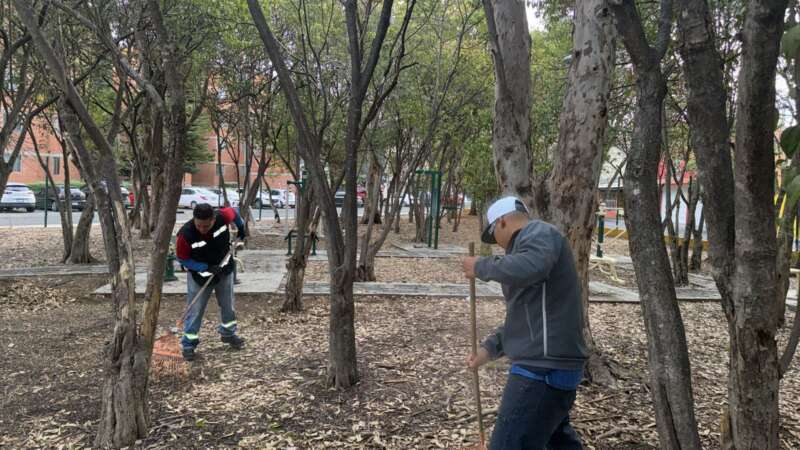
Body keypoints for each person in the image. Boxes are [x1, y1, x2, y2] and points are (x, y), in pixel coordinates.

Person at [461, 196, 587, 450]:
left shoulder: (539, 232)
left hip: (542, 368)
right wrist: (488, 350)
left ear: (503, 222)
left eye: (493, 233)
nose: (496, 243)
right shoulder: (527, 254)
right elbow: (522, 318)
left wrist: (482, 266)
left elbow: (531, 267)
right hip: (548, 362)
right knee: (557, 440)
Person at [176, 203, 248, 361]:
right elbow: (182, 259)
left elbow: (234, 213)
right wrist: (205, 267)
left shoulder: (222, 216)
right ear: (194, 220)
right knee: (195, 310)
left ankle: (228, 333)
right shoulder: (185, 235)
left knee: (228, 305)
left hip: (224, 268)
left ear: (213, 219)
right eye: (199, 225)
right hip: (200, 276)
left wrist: (241, 227)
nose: (202, 229)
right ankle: (189, 343)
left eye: (206, 225)